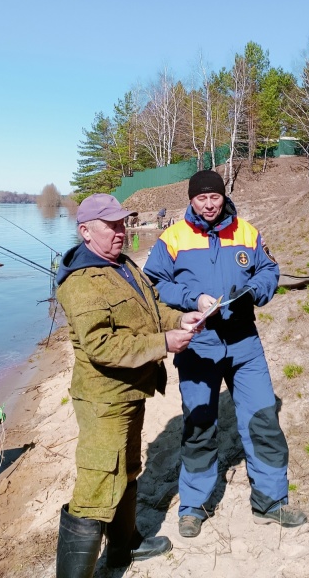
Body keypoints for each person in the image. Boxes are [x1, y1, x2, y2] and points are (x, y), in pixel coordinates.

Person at [144, 170, 306, 538]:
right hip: (198, 345)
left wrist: (255, 291)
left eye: (214, 197)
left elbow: (269, 269)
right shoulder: (172, 238)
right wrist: (192, 299)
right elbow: (154, 283)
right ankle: (193, 506)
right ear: (191, 200)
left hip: (244, 342)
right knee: (199, 425)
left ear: (223, 196)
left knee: (263, 419)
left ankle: (271, 501)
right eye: (201, 199)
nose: (209, 204)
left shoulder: (247, 232)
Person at [54, 193, 203, 578]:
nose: (123, 231)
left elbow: (152, 308)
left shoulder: (122, 266)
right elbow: (101, 345)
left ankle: (124, 547)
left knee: (128, 469)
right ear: (85, 232)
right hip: (104, 400)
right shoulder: (82, 283)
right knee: (96, 486)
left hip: (131, 391)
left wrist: (179, 321)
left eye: (124, 223)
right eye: (113, 225)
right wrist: (164, 344)